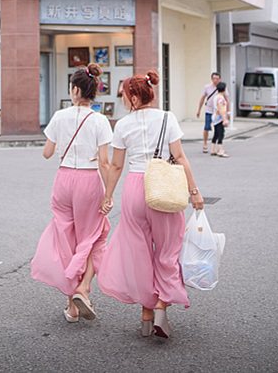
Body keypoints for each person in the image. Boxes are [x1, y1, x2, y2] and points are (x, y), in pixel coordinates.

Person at [98, 70, 205, 339]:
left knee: (140, 254)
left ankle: (146, 315)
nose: (123, 98)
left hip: (135, 188)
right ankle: (160, 305)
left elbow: (117, 165)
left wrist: (108, 195)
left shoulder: (122, 125)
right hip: (163, 186)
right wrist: (194, 192)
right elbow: (179, 157)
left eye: (124, 94)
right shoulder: (167, 119)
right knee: (168, 250)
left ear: (133, 96)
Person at [31, 64, 114, 323]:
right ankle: (84, 287)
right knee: (93, 236)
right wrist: (108, 194)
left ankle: (72, 306)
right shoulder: (100, 120)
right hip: (89, 180)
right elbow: (104, 162)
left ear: (75, 90)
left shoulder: (59, 116)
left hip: (64, 179)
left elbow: (46, 153)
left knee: (66, 239)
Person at [195, 72, 221, 153]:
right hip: (209, 110)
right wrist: (199, 110)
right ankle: (205, 143)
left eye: (217, 79)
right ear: (211, 79)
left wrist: (227, 112)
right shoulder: (207, 87)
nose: (215, 80)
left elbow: (226, 98)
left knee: (218, 128)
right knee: (206, 127)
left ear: (220, 79)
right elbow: (202, 98)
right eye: (214, 78)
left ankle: (217, 145)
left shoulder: (222, 87)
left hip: (218, 111)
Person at [210, 82, 230, 158]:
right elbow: (221, 109)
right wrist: (225, 119)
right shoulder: (221, 98)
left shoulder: (216, 97)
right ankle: (220, 150)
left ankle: (213, 149)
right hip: (219, 117)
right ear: (224, 89)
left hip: (215, 116)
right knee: (221, 133)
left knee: (216, 133)